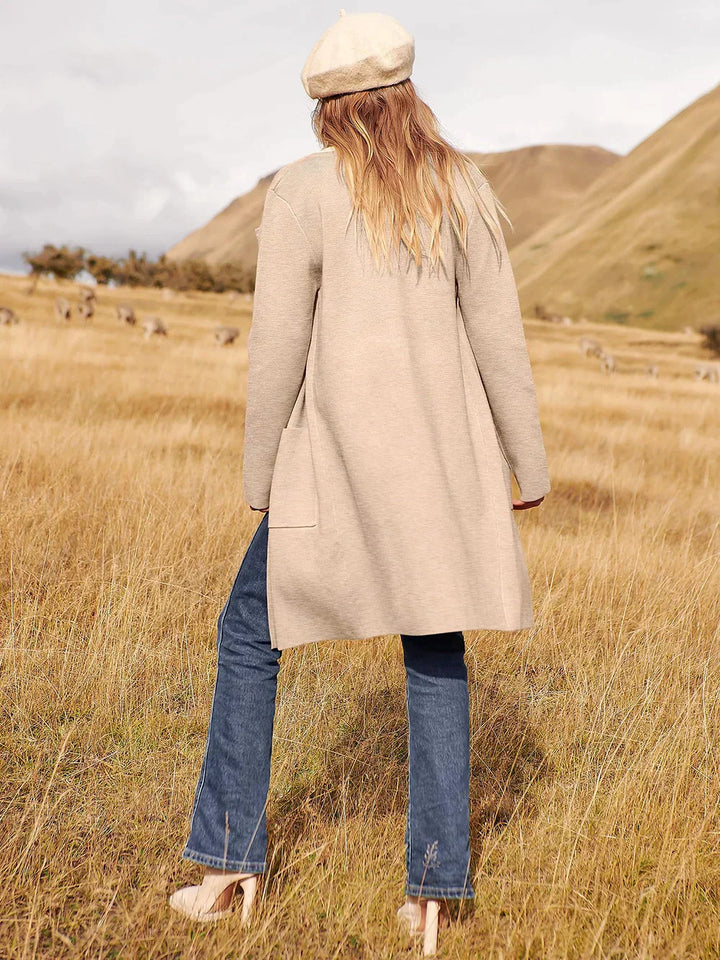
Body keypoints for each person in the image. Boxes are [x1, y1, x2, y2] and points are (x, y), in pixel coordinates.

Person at [169, 10, 551, 955]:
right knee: (434, 651)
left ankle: (228, 865)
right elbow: (499, 335)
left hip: (331, 467)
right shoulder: (460, 185)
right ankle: (433, 895)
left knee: (249, 635)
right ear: (406, 93)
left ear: (331, 111)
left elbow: (275, 348)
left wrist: (261, 475)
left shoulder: (301, 190)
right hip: (440, 474)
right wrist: (527, 461)